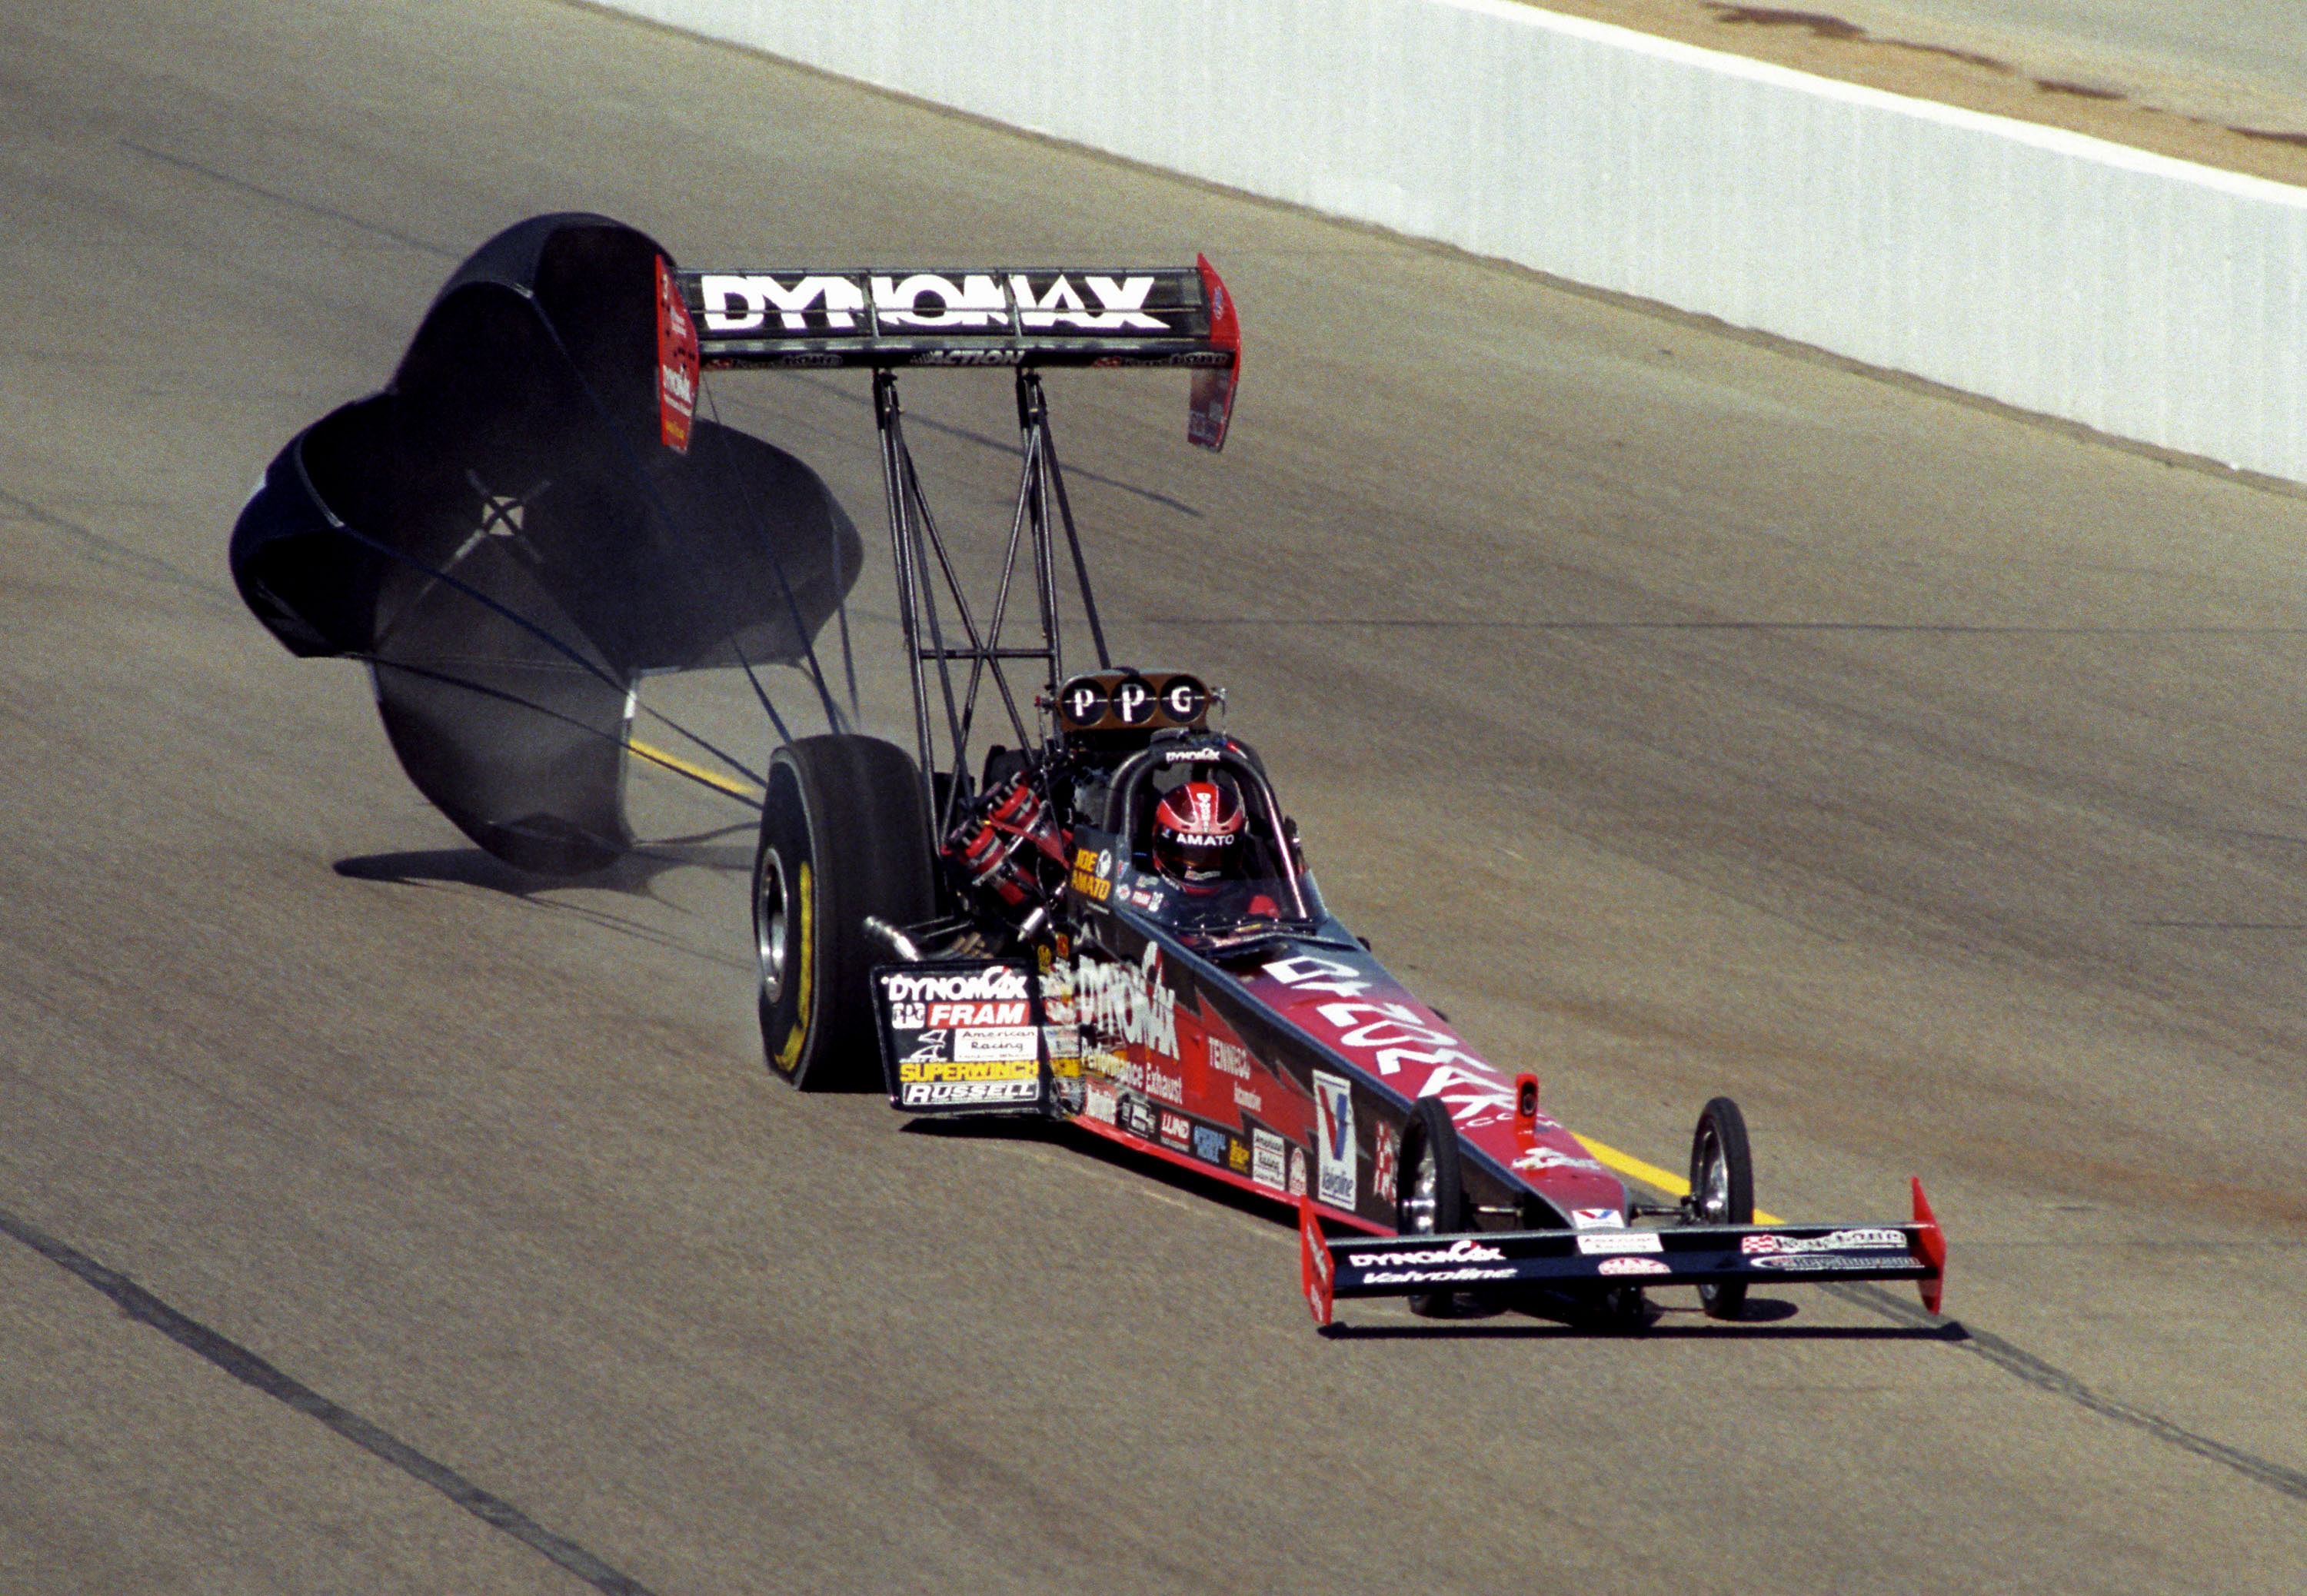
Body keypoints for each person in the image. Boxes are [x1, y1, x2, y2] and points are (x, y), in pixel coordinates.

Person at [1149, 779, 1247, 891]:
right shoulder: (1138, 875)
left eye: (1213, 858)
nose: (1201, 872)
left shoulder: (1248, 887)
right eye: (1191, 854)